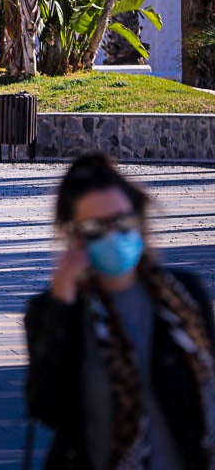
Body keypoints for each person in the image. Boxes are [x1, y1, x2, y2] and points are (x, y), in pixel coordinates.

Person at [25, 153, 214, 469]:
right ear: (75, 236)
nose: (113, 236)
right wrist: (62, 305)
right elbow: (47, 407)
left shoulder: (183, 296)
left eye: (123, 222)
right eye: (96, 229)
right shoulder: (53, 310)